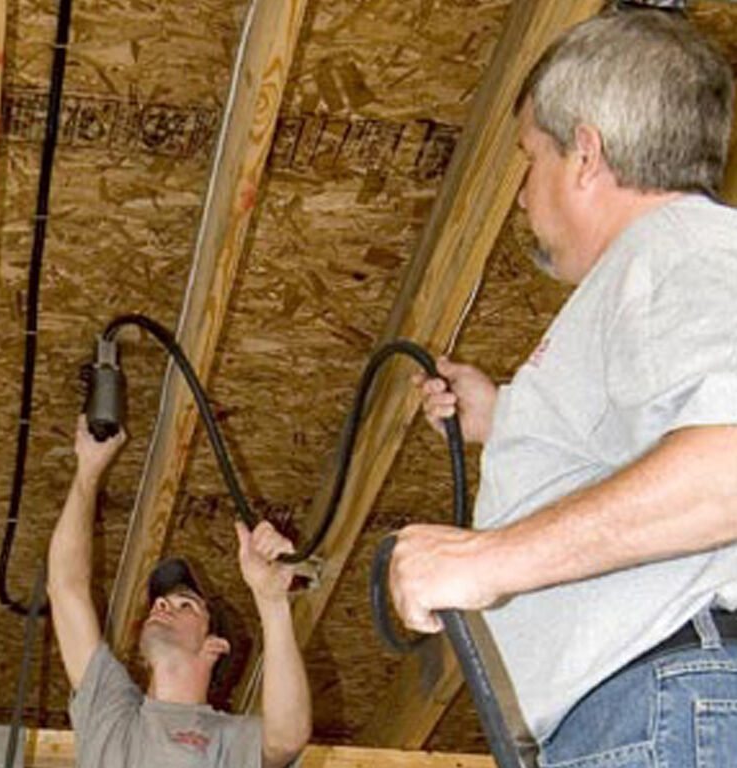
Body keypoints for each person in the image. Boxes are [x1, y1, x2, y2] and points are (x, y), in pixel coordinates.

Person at [390, 8, 737, 764]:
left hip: (666, 700)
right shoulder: (651, 270)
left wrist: (488, 561)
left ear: (585, 153)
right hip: (652, 707)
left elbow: (730, 471)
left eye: (530, 156)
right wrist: (504, 418)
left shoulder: (679, 246)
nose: (521, 195)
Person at [47, 416, 310, 768]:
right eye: (165, 601)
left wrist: (272, 600)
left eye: (185, 604)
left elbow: (286, 739)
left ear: (214, 645)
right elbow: (66, 586)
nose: (160, 605)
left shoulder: (228, 739)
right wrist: (88, 471)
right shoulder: (110, 714)